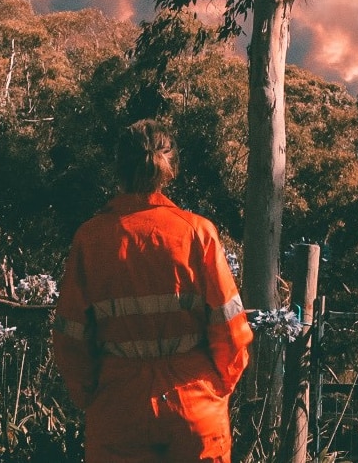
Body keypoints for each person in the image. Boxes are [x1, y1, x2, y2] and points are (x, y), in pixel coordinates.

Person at [52, 118, 254, 462]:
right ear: (170, 169)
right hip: (195, 407)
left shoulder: (91, 238)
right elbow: (231, 330)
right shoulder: (198, 233)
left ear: (119, 168)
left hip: (118, 409)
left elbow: (70, 338)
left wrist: (93, 396)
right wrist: (216, 387)